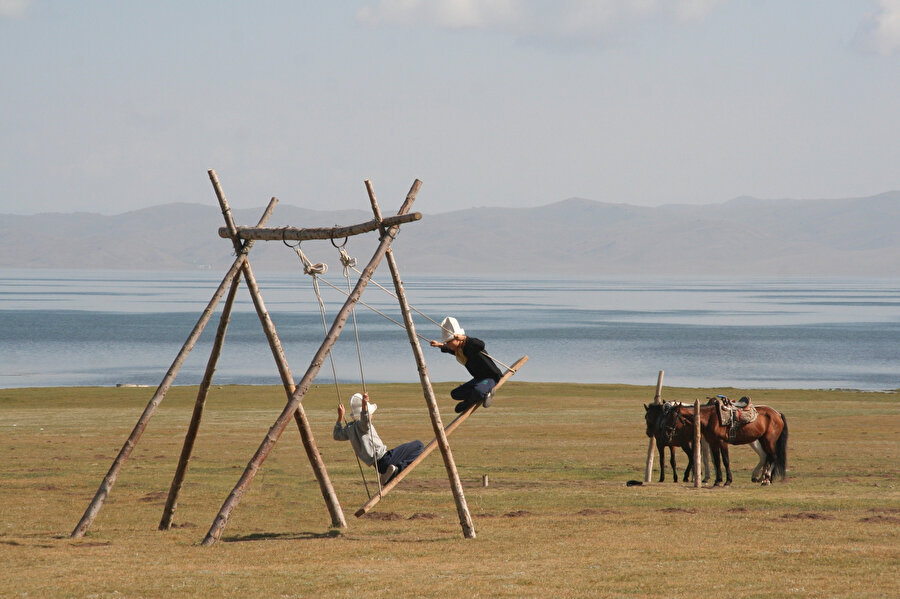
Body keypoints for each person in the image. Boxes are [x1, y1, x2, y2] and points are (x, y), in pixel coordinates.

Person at [333, 392, 424, 485]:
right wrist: (364, 407)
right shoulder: (362, 425)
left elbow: (337, 435)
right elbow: (365, 421)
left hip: (378, 467)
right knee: (419, 445)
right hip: (385, 459)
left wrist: (340, 417)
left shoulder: (350, 428)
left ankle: (390, 472)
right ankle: (396, 469)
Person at [429, 316, 502, 413]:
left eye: (449, 342)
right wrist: (440, 345)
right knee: (455, 394)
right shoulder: (459, 350)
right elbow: (451, 351)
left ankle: (476, 397)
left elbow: (481, 344)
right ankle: (482, 394)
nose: (449, 345)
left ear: (458, 339)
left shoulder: (471, 346)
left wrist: (465, 338)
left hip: (491, 377)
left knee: (478, 391)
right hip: (478, 379)